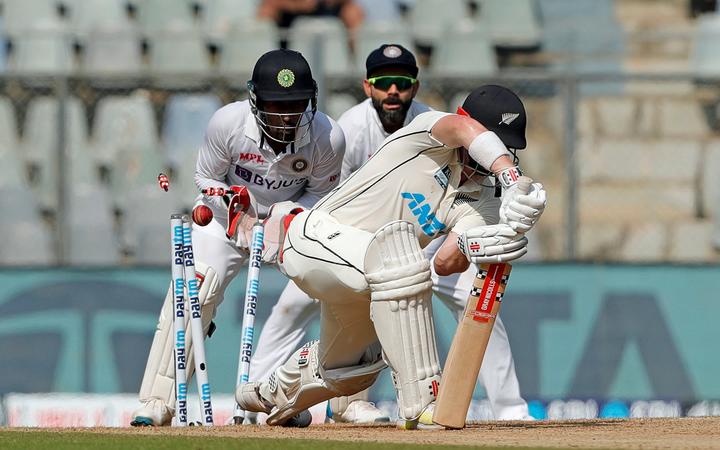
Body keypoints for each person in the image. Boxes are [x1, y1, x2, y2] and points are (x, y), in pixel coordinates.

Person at [249, 44, 532, 424]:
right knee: (403, 265)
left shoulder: (482, 197)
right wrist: (510, 176)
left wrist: (485, 238)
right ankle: (423, 401)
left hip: (367, 276)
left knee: (351, 370)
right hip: (315, 238)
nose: (500, 158)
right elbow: (463, 129)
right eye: (496, 146)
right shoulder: (427, 133)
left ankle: (268, 392)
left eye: (509, 152)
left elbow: (447, 264)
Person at [130, 49, 345, 427]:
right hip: (224, 220)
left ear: (310, 101)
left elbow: (321, 196)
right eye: (275, 105)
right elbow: (205, 179)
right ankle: (158, 402)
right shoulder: (227, 123)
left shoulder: (329, 136)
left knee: (336, 285)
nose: (285, 115)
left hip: (290, 224)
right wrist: (232, 207)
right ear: (255, 101)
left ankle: (294, 401)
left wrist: (286, 216)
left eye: (295, 104)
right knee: (193, 291)